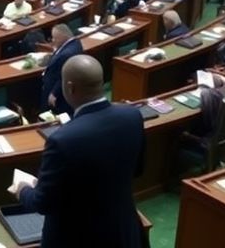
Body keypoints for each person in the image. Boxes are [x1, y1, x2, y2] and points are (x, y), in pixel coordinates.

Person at [13, 54, 144, 248]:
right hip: (122, 231)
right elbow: (137, 171)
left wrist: (23, 189)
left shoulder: (62, 140)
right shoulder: (133, 116)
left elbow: (43, 203)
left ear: (70, 87)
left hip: (76, 238)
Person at [40, 24, 83, 116]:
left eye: (55, 38)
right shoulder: (75, 43)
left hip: (58, 95)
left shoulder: (66, 54)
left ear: (63, 37)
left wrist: (54, 93)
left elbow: (64, 75)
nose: (53, 40)